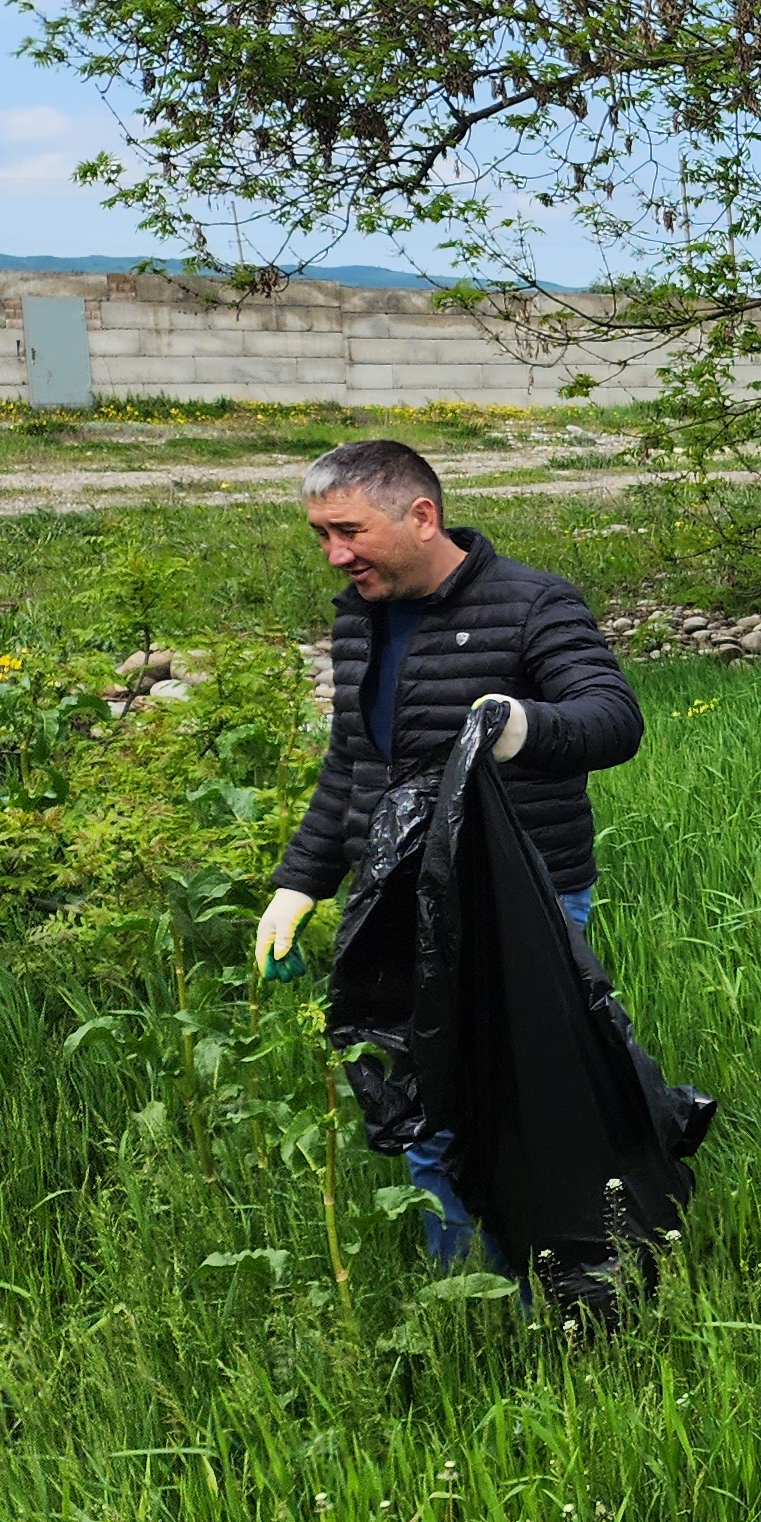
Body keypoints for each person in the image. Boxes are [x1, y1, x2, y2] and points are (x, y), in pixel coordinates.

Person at [249, 440, 644, 1264]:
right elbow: (352, 762)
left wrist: (521, 726)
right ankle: (464, 1293)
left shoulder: (532, 603)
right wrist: (300, 883)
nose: (335, 554)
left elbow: (612, 719)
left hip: (519, 902)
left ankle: (561, 1286)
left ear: (421, 516)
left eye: (349, 531)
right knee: (424, 1102)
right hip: (396, 904)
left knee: (524, 1109)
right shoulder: (360, 616)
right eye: (321, 535)